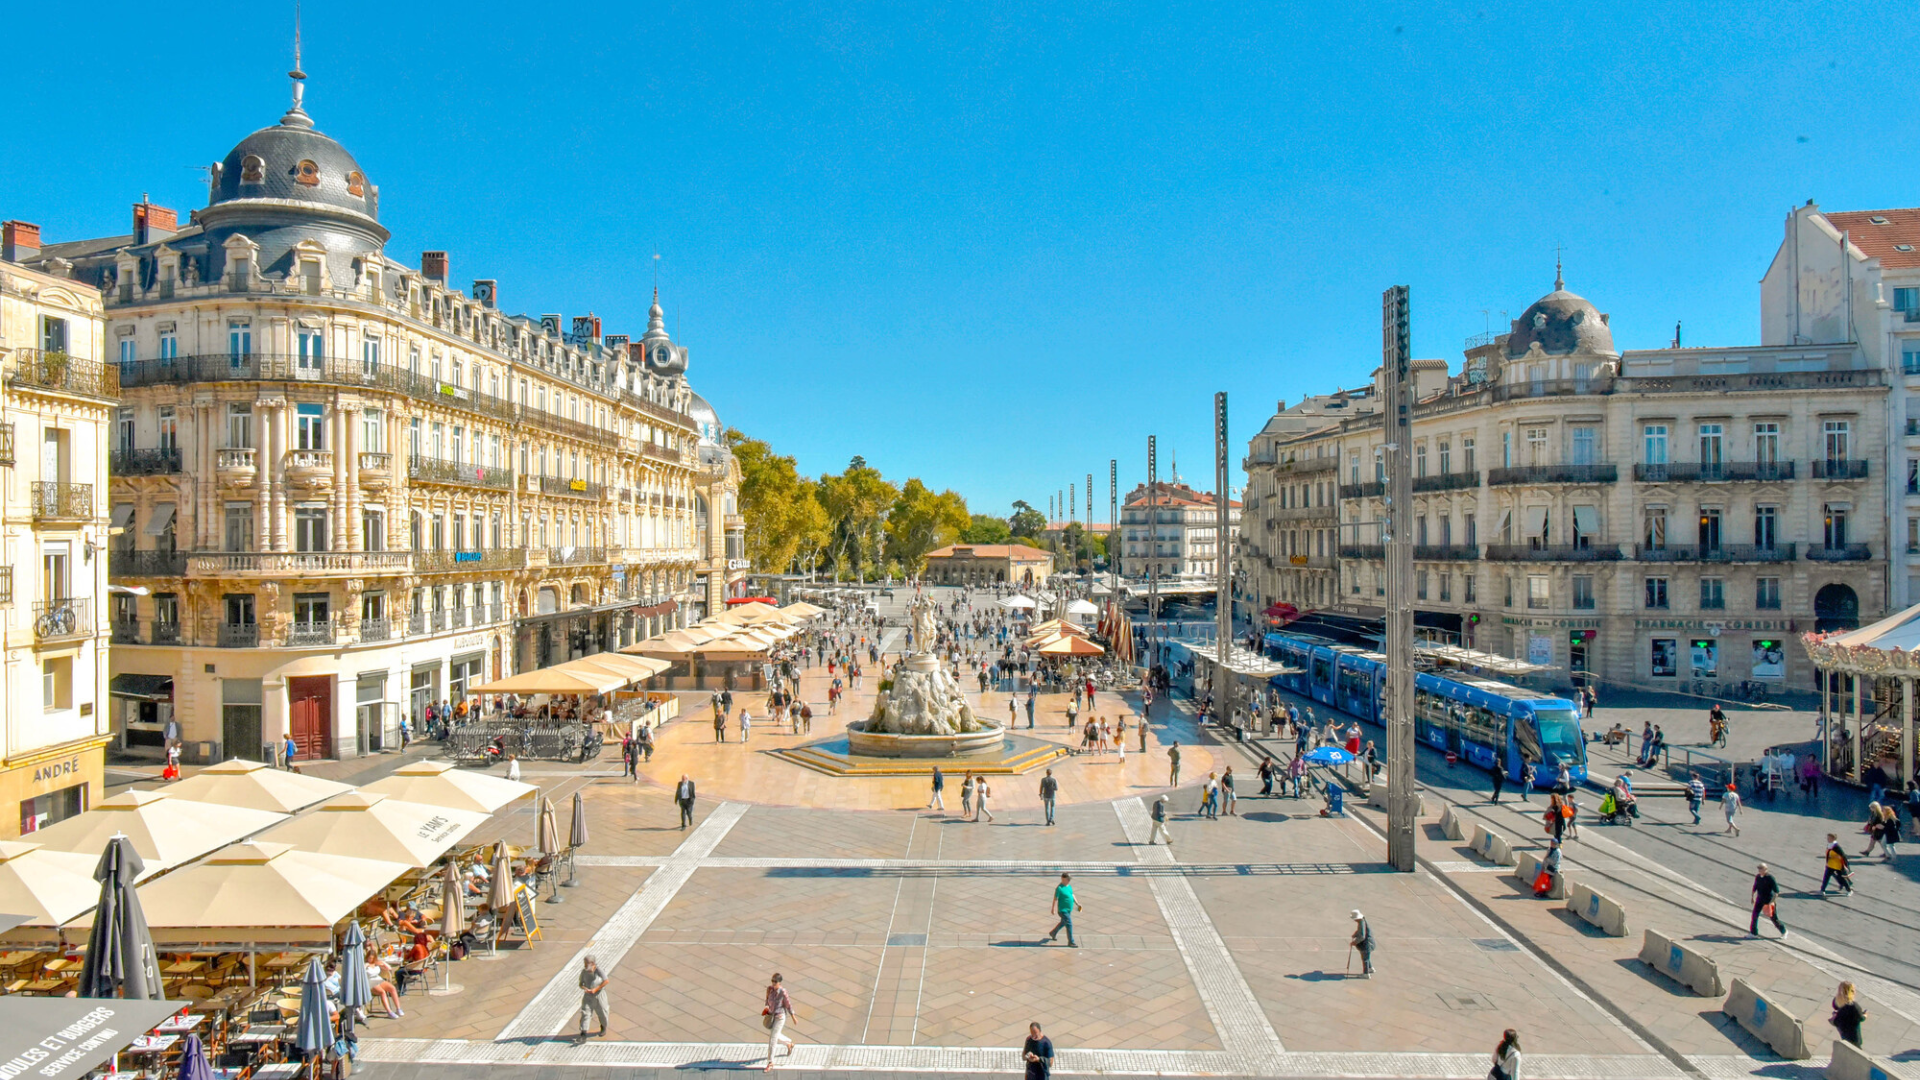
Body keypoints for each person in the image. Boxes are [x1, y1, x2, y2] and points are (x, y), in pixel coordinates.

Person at [762, 972, 795, 1069]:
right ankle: (789, 1043)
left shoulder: (783, 992)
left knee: (772, 1039)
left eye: (775, 982)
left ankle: (770, 1062)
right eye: (772, 981)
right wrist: (766, 1007)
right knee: (774, 1035)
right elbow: (767, 1000)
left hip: (780, 1017)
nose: (773, 983)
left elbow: (788, 1004)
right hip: (772, 1015)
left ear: (779, 983)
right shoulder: (769, 989)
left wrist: (793, 1016)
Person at [1749, 863, 1785, 937]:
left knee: (1774, 918)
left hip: (1769, 901)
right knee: (1754, 915)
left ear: (1766, 869)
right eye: (1759, 869)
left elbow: (1776, 891)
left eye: (1761, 869)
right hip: (1760, 899)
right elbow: (1755, 887)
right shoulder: (1758, 877)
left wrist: (1772, 902)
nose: (1759, 870)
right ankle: (1753, 933)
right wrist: (1752, 897)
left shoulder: (1770, 878)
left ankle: (1783, 931)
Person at [576, 956, 608, 1040]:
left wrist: (596, 989)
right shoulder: (584, 972)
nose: (585, 966)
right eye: (585, 964)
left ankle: (603, 1026)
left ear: (592, 964)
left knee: (602, 1012)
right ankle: (583, 1033)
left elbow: (606, 981)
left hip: (599, 995)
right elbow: (581, 984)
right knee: (585, 1013)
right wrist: (585, 988)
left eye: (587, 964)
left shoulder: (599, 971)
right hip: (588, 996)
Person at [1829, 981, 1867, 1049]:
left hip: (1843, 1030)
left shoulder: (1836, 1000)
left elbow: (1836, 1008)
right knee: (1857, 1053)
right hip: (1853, 1034)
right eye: (1854, 990)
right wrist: (1865, 1015)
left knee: (1847, 1046)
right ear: (1851, 991)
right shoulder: (1854, 1006)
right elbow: (1860, 1018)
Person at [1047, 872, 1080, 947]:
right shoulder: (1059, 888)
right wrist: (1053, 909)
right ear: (1063, 879)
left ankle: (1053, 933)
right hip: (1062, 910)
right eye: (1068, 879)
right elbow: (1055, 899)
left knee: (1063, 922)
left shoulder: (1069, 886)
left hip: (1068, 910)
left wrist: (1077, 903)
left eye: (1069, 879)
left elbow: (1072, 894)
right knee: (1069, 924)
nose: (1069, 881)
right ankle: (1071, 941)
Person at [1349, 909, 1374, 977]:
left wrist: (1355, 942)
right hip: (1369, 943)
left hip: (1367, 944)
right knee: (1366, 957)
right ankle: (1370, 968)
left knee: (1365, 958)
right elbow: (1360, 931)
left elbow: (1362, 936)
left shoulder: (1361, 923)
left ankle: (1366, 974)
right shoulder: (1362, 921)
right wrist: (1355, 934)